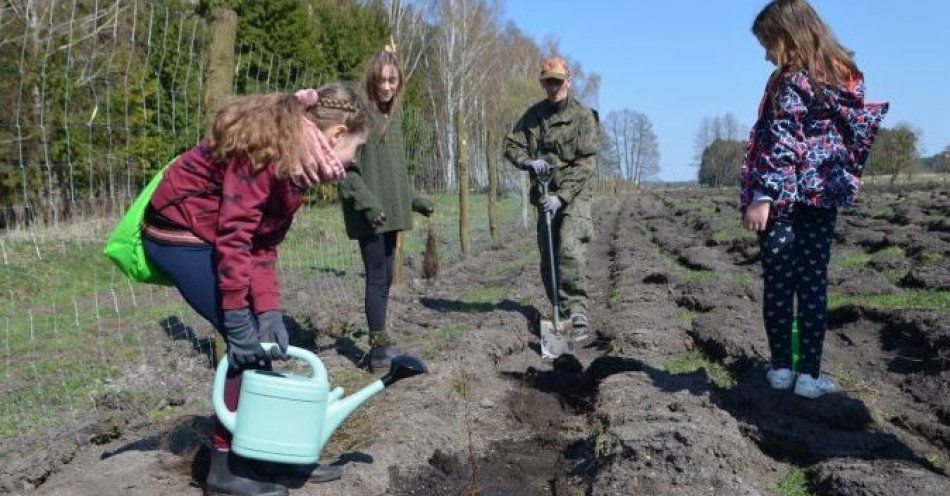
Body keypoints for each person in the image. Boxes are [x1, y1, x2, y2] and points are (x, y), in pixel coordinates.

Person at [142, 84, 369, 496]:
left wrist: (269, 311)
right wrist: (239, 318)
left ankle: (270, 458)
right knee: (242, 342)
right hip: (178, 231)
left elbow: (263, 244)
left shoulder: (297, 172)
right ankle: (225, 472)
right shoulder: (265, 150)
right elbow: (234, 239)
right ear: (336, 135)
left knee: (258, 341)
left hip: (214, 235)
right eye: (357, 147)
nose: (355, 160)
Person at [741, 0, 888, 399]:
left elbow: (782, 140)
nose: (766, 54)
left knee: (778, 283)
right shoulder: (842, 77)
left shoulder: (790, 82)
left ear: (788, 37)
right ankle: (808, 375)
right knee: (810, 284)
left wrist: (763, 194)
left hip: (784, 201)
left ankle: (781, 370)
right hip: (822, 194)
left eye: (768, 44)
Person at [335, 46, 434, 371]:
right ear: (373, 80)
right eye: (382, 80)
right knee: (377, 277)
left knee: (387, 276)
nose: (388, 86)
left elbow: (393, 175)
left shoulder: (393, 118)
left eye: (393, 80)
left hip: (388, 214)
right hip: (371, 214)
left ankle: (382, 339)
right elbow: (344, 170)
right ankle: (378, 350)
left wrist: (414, 199)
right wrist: (368, 204)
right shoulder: (360, 114)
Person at [504, 56, 599, 340]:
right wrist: (527, 162)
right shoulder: (533, 117)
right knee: (549, 257)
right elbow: (511, 145)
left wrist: (563, 196)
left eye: (558, 81)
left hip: (574, 195)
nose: (553, 87)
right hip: (544, 195)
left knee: (569, 249)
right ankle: (557, 313)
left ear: (568, 82)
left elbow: (586, 162)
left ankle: (576, 310)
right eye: (548, 82)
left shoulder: (583, 116)